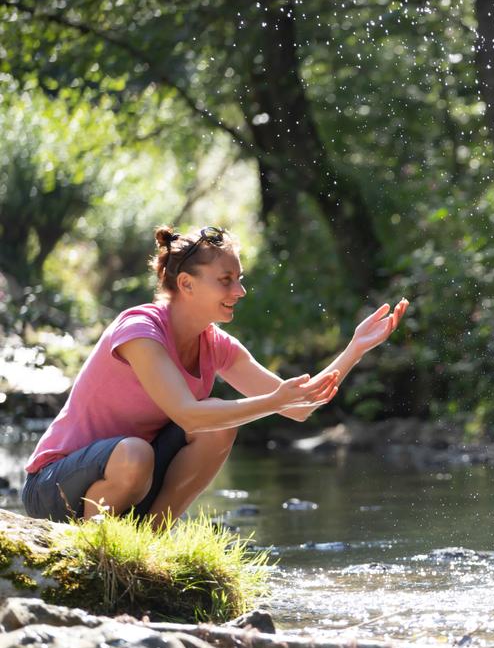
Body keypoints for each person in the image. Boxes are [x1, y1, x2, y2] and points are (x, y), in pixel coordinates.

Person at [21, 224, 407, 526]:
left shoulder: (215, 344)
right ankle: (95, 548)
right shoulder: (139, 329)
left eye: (239, 278)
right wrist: (273, 401)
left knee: (218, 427)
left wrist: (355, 348)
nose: (240, 290)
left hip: (134, 478)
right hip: (55, 486)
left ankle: (149, 541)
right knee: (140, 450)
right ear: (186, 284)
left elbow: (298, 406)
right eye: (226, 280)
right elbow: (188, 414)